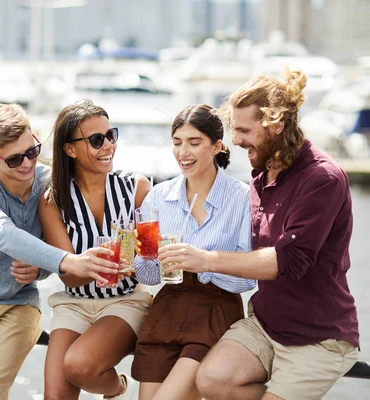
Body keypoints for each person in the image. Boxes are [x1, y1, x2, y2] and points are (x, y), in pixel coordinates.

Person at [163, 70, 360, 400]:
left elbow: (289, 260)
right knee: (210, 380)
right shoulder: (261, 175)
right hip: (265, 325)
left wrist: (205, 259)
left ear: (277, 124)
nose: (236, 141)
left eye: (243, 130)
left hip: (318, 337)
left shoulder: (322, 178)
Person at [0, 103, 121, 400]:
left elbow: (64, 239)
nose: (28, 163)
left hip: (18, 305)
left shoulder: (49, 182)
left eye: (32, 151)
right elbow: (5, 236)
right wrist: (67, 262)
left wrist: (41, 270)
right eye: (15, 159)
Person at [130, 104, 256, 400]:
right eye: (177, 142)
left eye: (194, 142)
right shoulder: (158, 197)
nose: (183, 152)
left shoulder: (242, 198)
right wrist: (143, 257)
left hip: (216, 310)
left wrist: (202, 262)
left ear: (217, 146)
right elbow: (148, 276)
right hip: (167, 309)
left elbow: (247, 280)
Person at [39, 99, 153, 400]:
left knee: (79, 366)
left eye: (110, 135)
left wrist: (136, 262)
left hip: (126, 301)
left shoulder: (137, 188)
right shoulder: (52, 200)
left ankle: (116, 388)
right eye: (96, 140)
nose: (108, 146)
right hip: (73, 303)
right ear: (70, 149)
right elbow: (70, 278)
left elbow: (152, 256)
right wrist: (93, 265)